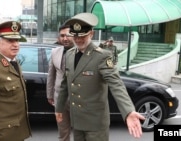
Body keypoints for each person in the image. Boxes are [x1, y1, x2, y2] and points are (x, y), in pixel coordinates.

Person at [55, 13, 145, 141]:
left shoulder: (102, 56)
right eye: (75, 36)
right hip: (77, 120)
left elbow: (116, 84)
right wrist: (59, 108)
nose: (78, 39)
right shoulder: (69, 54)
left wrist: (129, 111)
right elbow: (65, 84)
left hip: (95, 123)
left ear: (91, 34)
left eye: (82, 36)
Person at [46, 24, 74, 141]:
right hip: (59, 99)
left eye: (68, 35)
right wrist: (50, 95)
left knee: (80, 131)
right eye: (62, 36)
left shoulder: (82, 52)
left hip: (77, 99)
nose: (65, 38)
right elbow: (51, 75)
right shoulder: (55, 52)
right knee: (63, 132)